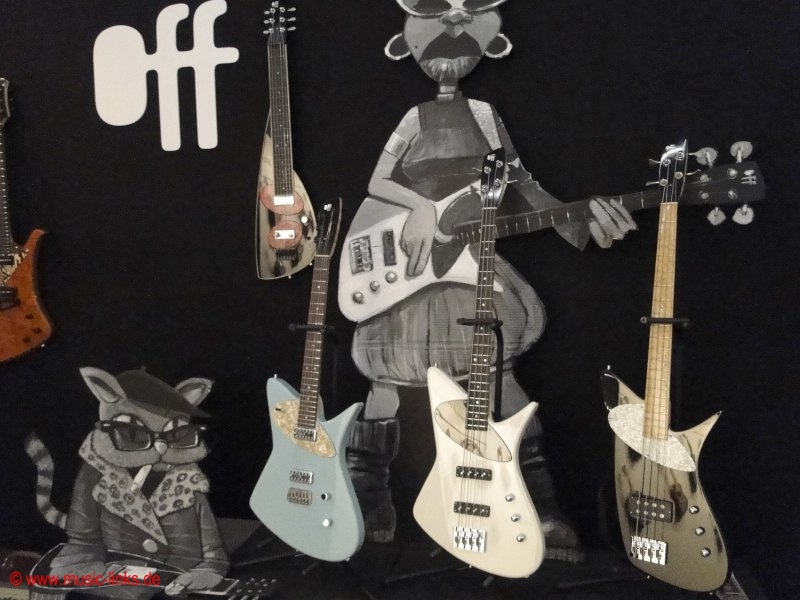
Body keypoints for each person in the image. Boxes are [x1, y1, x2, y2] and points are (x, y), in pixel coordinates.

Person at [343, 0, 636, 558]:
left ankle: (539, 506)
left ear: (491, 46)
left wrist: (582, 224)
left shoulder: (483, 114)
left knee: (499, 378)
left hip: (470, 261)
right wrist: (420, 209)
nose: (452, 32)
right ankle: (366, 498)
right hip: (408, 263)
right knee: (386, 376)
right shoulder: (414, 117)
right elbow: (378, 181)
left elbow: (522, 185)